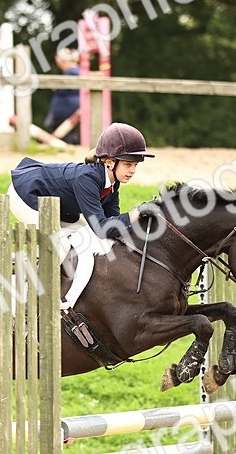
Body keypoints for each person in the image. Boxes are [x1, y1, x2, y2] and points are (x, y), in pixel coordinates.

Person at [8, 122, 157, 313]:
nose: (132, 170)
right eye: (128, 164)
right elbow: (102, 227)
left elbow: (112, 225)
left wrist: (139, 222)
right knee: (60, 243)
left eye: (135, 165)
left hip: (56, 206)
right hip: (25, 195)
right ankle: (37, 293)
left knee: (86, 237)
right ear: (109, 162)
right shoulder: (87, 178)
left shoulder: (112, 184)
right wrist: (137, 213)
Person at [43, 47, 81, 145]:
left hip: (67, 112)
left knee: (67, 139)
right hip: (68, 111)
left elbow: (61, 89)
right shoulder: (73, 73)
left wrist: (56, 87)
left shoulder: (73, 73)